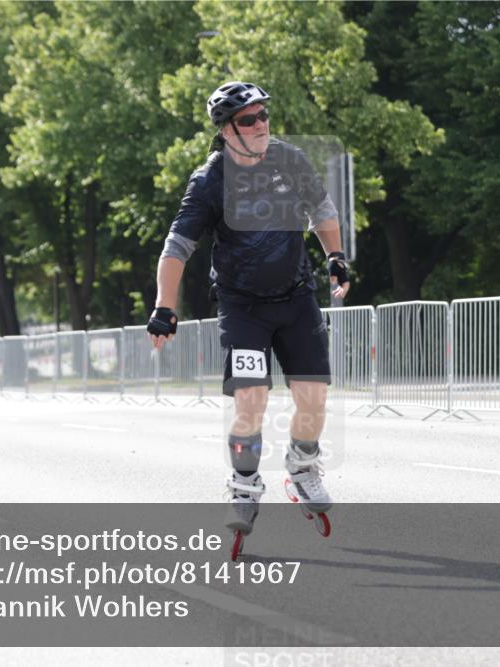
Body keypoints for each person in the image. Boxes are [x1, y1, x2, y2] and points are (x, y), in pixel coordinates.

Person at [147, 81, 351, 539]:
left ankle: (301, 468)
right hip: (243, 309)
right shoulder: (209, 181)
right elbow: (177, 246)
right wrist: (165, 306)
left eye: (263, 116)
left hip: (297, 298)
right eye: (247, 119)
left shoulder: (289, 159)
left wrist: (335, 257)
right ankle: (242, 485)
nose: (260, 125)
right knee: (251, 402)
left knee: (314, 399)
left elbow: (321, 208)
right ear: (225, 130)